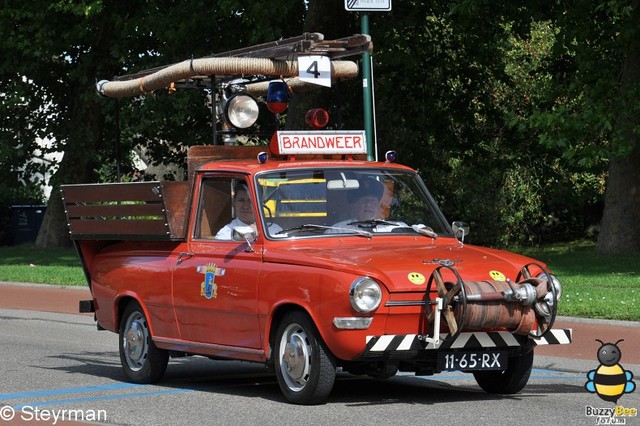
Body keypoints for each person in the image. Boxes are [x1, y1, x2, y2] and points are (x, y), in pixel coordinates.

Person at [215, 182, 282, 240]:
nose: (246, 206)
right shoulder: (225, 235)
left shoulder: (275, 231)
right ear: (234, 202)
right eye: (241, 200)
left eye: (250, 201)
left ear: (260, 203)